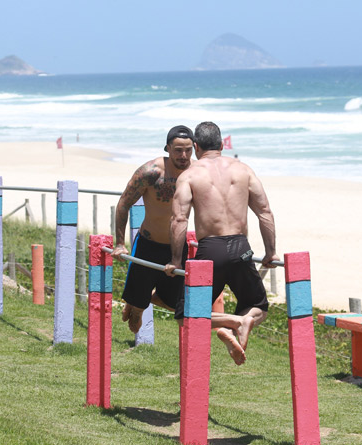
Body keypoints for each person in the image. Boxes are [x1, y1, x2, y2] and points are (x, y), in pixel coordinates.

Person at [165, 122, 280, 365]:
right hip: (241, 247)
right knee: (258, 308)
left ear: (196, 147)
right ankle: (242, 321)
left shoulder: (190, 175)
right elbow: (265, 212)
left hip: (210, 250)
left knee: (185, 316)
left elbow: (179, 219)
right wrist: (271, 252)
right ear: (221, 144)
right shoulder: (244, 170)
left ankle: (235, 323)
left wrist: (176, 260)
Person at [112, 125, 194, 334]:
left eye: (188, 149)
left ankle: (140, 299)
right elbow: (123, 204)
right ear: (167, 148)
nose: (183, 155)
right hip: (148, 245)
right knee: (133, 322)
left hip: (176, 248)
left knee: (177, 304)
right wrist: (120, 244)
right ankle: (137, 305)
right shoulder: (151, 172)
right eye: (178, 150)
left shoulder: (197, 174)